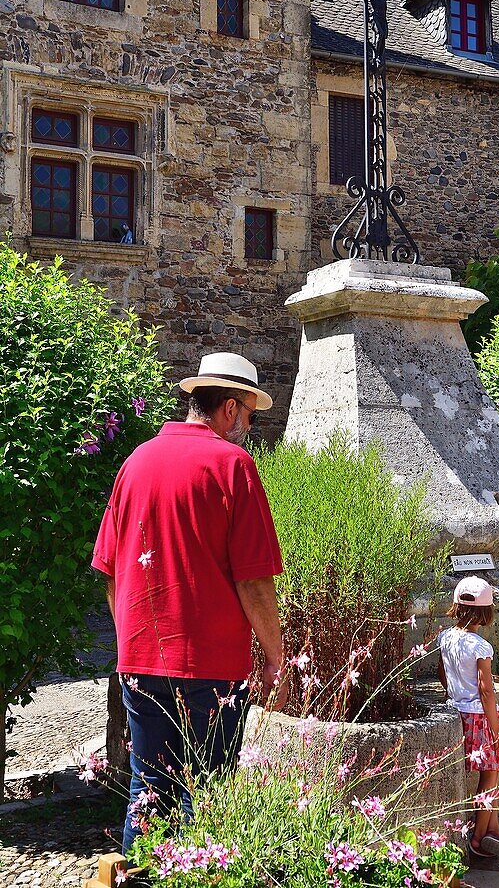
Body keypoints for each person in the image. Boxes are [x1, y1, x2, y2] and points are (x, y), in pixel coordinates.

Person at [92, 352, 285, 854]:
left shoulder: (136, 461)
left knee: (148, 790)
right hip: (210, 665)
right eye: (249, 413)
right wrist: (274, 655)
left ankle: (142, 878)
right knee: (209, 796)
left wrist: (129, 643)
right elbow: (255, 583)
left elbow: (110, 574)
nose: (248, 425)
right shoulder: (233, 464)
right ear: (228, 410)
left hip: (140, 661)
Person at [437, 577, 499, 863]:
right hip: (481, 715)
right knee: (491, 775)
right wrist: (496, 728)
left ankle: (494, 830)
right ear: (487, 611)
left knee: (493, 773)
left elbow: (443, 675)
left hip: (458, 711)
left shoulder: (446, 638)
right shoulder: (479, 646)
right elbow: (486, 689)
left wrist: (454, 694)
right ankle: (478, 838)